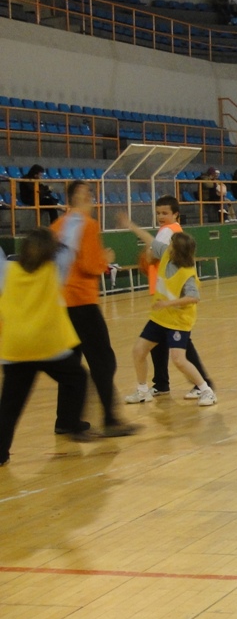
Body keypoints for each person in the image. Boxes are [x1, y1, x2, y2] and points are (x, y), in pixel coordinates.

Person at [0, 230, 95, 466]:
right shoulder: (54, 270)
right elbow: (69, 247)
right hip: (48, 345)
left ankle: (0, 453)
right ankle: (72, 424)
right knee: (78, 378)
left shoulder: (6, 271)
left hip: (16, 347)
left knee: (10, 406)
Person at [51, 181, 139, 437]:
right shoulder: (88, 225)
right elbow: (90, 266)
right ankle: (111, 419)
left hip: (61, 303)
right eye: (89, 193)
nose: (92, 197)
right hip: (83, 302)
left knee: (70, 363)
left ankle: (66, 420)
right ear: (81, 196)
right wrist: (106, 261)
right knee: (103, 361)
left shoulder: (57, 225)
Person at [120, 195, 215, 399]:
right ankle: (145, 389)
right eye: (159, 213)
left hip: (178, 318)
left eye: (165, 213)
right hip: (161, 315)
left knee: (179, 359)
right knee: (139, 351)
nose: (166, 246)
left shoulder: (186, 271)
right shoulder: (165, 253)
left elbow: (194, 297)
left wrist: (168, 303)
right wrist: (130, 225)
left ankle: (205, 388)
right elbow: (149, 240)